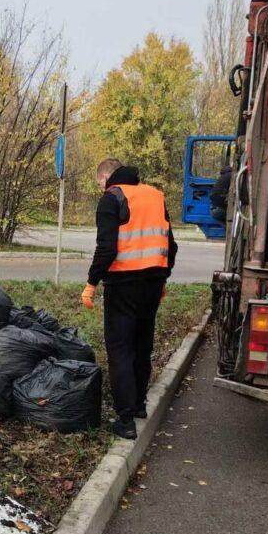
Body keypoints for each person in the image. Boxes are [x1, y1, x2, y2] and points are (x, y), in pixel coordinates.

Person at [81, 158, 178, 440]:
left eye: (101, 182)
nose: (102, 188)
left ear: (107, 177)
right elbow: (171, 245)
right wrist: (163, 278)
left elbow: (107, 248)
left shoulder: (112, 198)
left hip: (123, 285)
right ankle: (138, 406)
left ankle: (124, 421)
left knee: (120, 348)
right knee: (141, 343)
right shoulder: (155, 196)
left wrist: (91, 283)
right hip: (152, 283)